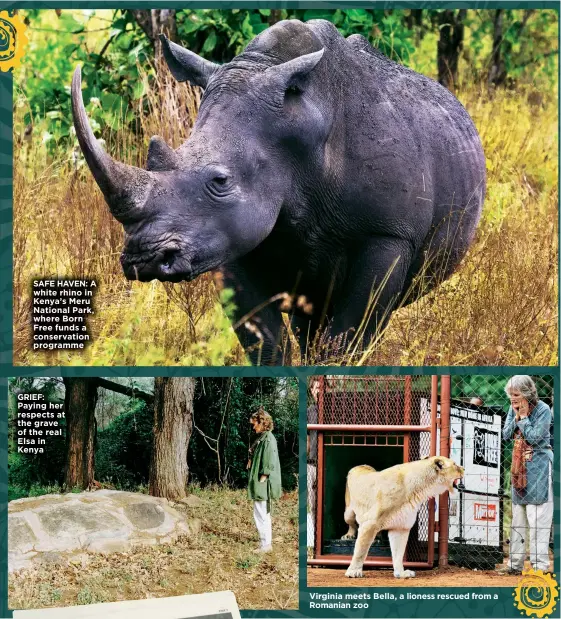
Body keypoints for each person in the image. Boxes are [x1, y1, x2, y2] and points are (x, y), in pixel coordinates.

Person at [498, 376, 553, 574]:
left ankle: (540, 567)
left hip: (538, 465)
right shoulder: (513, 409)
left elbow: (535, 438)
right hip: (519, 466)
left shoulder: (543, 410)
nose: (512, 399)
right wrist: (516, 416)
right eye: (510, 395)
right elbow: (505, 435)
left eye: (516, 395)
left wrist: (524, 418)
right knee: (518, 518)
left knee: (537, 517)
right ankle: (514, 565)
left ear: (527, 394)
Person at [247, 408, 282, 553]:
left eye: (255, 423)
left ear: (262, 422)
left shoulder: (268, 439)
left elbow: (269, 461)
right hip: (261, 480)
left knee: (260, 512)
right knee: (262, 512)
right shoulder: (264, 437)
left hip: (263, 481)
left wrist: (262, 479)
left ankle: (265, 544)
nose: (253, 426)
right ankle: (266, 542)